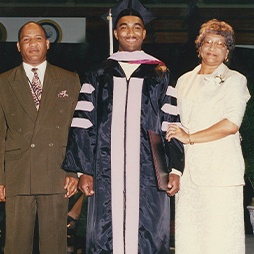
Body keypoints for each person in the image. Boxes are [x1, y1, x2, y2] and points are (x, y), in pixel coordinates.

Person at [62, 0, 184, 253]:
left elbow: (171, 124)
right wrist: (85, 171)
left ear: (144, 33)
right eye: (124, 27)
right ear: (116, 33)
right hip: (106, 171)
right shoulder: (99, 72)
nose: (131, 32)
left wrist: (174, 169)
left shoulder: (160, 73)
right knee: (106, 233)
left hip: (150, 171)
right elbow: (84, 124)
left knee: (149, 232)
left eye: (137, 27)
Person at [166, 19, 250, 254]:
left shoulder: (235, 80)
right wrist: (175, 169)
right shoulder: (183, 80)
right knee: (189, 239)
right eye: (208, 42)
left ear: (227, 52)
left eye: (220, 44)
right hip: (189, 176)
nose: (212, 48)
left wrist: (189, 136)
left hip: (220, 174)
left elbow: (231, 124)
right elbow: (176, 125)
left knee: (220, 240)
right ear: (199, 47)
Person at [0, 21, 81, 254]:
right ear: (18, 46)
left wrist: (72, 171)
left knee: (54, 247)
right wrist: (1, 178)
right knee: (15, 246)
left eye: (37, 38)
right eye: (26, 39)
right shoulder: (4, 82)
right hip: (17, 175)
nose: (32, 44)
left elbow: (75, 129)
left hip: (56, 173)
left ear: (47, 43)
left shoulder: (69, 79)